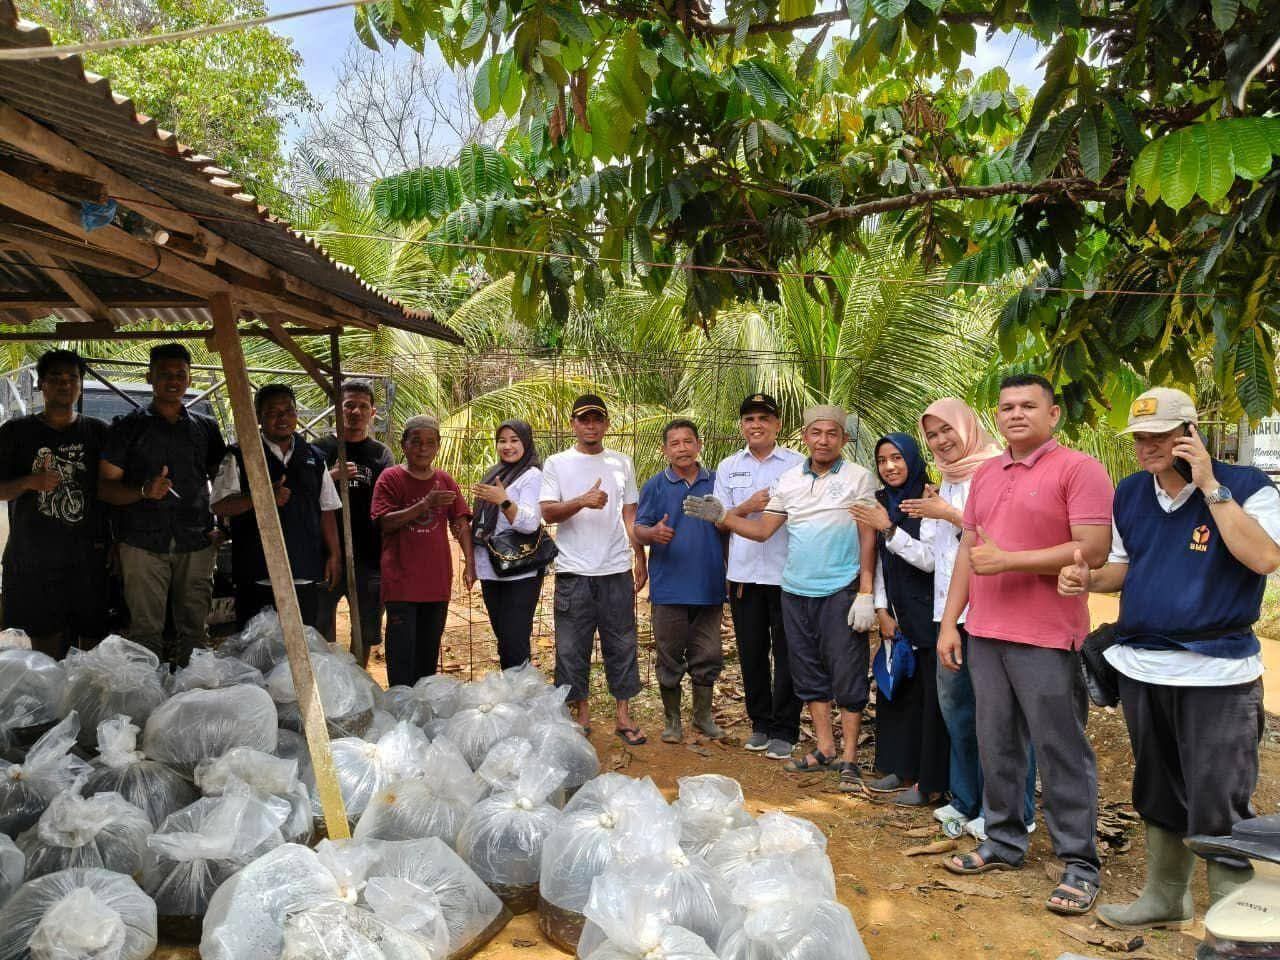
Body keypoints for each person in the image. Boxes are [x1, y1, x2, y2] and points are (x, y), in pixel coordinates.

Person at [1058, 388, 1280, 928]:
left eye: (1159, 436)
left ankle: (1233, 922)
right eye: (1139, 437)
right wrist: (1088, 579)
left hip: (1218, 673)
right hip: (1142, 667)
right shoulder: (1132, 492)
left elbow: (1263, 557)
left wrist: (1210, 486)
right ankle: (1166, 899)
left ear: (1190, 434)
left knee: (1219, 798)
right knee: (1156, 787)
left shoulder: (1248, 485)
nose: (1146, 447)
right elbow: (1123, 567)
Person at [937, 374, 1113, 918]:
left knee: (1060, 749)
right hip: (986, 632)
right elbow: (970, 551)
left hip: (1047, 636)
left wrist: (1010, 561)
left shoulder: (1079, 469)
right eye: (1007, 406)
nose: (1016, 414)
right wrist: (951, 623)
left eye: (1028, 405)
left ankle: (1079, 862)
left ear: (1053, 414)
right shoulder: (987, 474)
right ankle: (1004, 839)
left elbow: (1094, 548)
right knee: (997, 744)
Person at [685, 404, 878, 787]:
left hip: (840, 590)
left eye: (832, 434)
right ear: (805, 437)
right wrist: (721, 516)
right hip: (795, 590)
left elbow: (867, 535)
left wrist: (866, 591)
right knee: (807, 671)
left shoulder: (859, 478)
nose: (823, 441)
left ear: (843, 438)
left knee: (847, 673)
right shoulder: (789, 480)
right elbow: (762, 531)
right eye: (816, 433)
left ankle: (849, 758)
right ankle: (824, 748)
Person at [905, 399, 1038, 841]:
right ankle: (966, 800)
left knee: (1001, 718)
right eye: (932, 434)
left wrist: (947, 513)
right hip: (948, 613)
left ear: (967, 427)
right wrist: (890, 530)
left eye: (947, 430)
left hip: (991, 613)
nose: (941, 440)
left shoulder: (997, 471)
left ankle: (1013, 809)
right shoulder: (945, 479)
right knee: (957, 712)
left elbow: (1004, 539)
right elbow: (933, 557)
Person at [99, 343, 226, 667]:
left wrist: (222, 527)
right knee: (145, 634)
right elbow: (105, 487)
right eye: (165, 374)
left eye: (180, 374)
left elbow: (224, 483)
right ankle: (148, 696)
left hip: (196, 541)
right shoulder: (126, 427)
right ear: (149, 378)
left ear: (189, 379)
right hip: (141, 543)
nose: (173, 381)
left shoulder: (206, 428)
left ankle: (193, 693)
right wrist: (144, 490)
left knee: (195, 634)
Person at [539, 394, 647, 745]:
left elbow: (630, 514)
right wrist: (582, 501)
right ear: (573, 423)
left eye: (597, 419)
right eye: (583, 419)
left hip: (615, 569)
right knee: (572, 647)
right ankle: (581, 714)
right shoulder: (557, 463)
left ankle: (623, 715)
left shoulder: (622, 462)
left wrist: (639, 555)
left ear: (606, 424)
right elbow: (548, 512)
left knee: (622, 643)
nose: (590, 426)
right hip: (574, 570)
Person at [851, 433, 949, 806]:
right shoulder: (881, 501)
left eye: (897, 458)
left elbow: (931, 560)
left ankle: (929, 781)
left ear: (912, 459)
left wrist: (890, 528)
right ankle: (898, 767)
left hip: (930, 613)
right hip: (896, 614)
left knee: (930, 698)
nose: (889, 466)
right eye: (882, 460)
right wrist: (880, 610)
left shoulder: (930, 499)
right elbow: (878, 562)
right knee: (897, 692)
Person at [712, 393, 804, 760]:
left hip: (787, 575)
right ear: (741, 426)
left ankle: (785, 728)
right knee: (751, 653)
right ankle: (761, 724)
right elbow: (718, 519)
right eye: (749, 419)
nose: (756, 425)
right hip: (744, 575)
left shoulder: (797, 465)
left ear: (777, 425)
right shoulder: (728, 466)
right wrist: (747, 506)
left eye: (764, 418)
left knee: (788, 653)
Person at [0, 350, 109, 657]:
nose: (65, 384)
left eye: (72, 378)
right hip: (33, 558)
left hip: (89, 557)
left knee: (91, 645)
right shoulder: (15, 432)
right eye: (56, 378)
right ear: (41, 385)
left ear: (81, 385)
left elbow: (111, 491)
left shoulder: (99, 432)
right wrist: (29, 482)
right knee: (45, 648)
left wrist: (114, 542)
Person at [212, 384, 342, 628]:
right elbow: (220, 505)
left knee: (303, 642)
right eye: (273, 412)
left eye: (288, 411)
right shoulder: (240, 454)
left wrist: (334, 555)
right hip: (257, 573)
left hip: (303, 570)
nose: (282, 418)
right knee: (255, 646)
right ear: (258, 417)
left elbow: (327, 509)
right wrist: (261, 498)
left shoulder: (313, 456)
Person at [634, 419, 726, 743]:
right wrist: (652, 533)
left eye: (688, 441)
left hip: (709, 585)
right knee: (669, 654)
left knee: (708, 653)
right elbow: (638, 529)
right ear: (665, 450)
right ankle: (672, 720)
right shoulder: (655, 486)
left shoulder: (717, 482)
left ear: (698, 445)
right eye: (675, 443)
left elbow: (731, 525)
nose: (682, 448)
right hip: (669, 587)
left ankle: (702, 717)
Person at [372, 415, 475, 686]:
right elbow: (384, 523)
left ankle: (422, 707)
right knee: (401, 657)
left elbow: (460, 522)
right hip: (401, 583)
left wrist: (470, 562)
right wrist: (425, 504)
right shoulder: (391, 478)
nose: (423, 448)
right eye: (416, 442)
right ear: (404, 445)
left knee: (427, 658)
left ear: (438, 446)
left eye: (430, 443)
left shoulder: (445, 480)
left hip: (436, 583)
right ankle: (401, 708)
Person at [314, 379, 395, 666]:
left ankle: (358, 676)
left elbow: (388, 499)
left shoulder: (380, 454)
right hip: (325, 555)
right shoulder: (320, 449)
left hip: (369, 555)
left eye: (362, 406)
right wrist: (331, 478)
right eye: (349, 405)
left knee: (365, 627)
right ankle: (327, 680)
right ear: (338, 409)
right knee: (320, 625)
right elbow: (303, 495)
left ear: (373, 412)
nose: (355, 412)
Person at [472, 419, 546, 669]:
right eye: (502, 441)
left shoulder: (532, 476)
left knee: (515, 641)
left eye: (514, 440)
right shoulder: (495, 473)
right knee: (504, 641)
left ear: (526, 442)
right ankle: (512, 688)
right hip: (491, 568)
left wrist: (503, 501)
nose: (508, 446)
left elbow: (530, 523)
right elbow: (485, 523)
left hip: (520, 571)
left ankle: (522, 690)